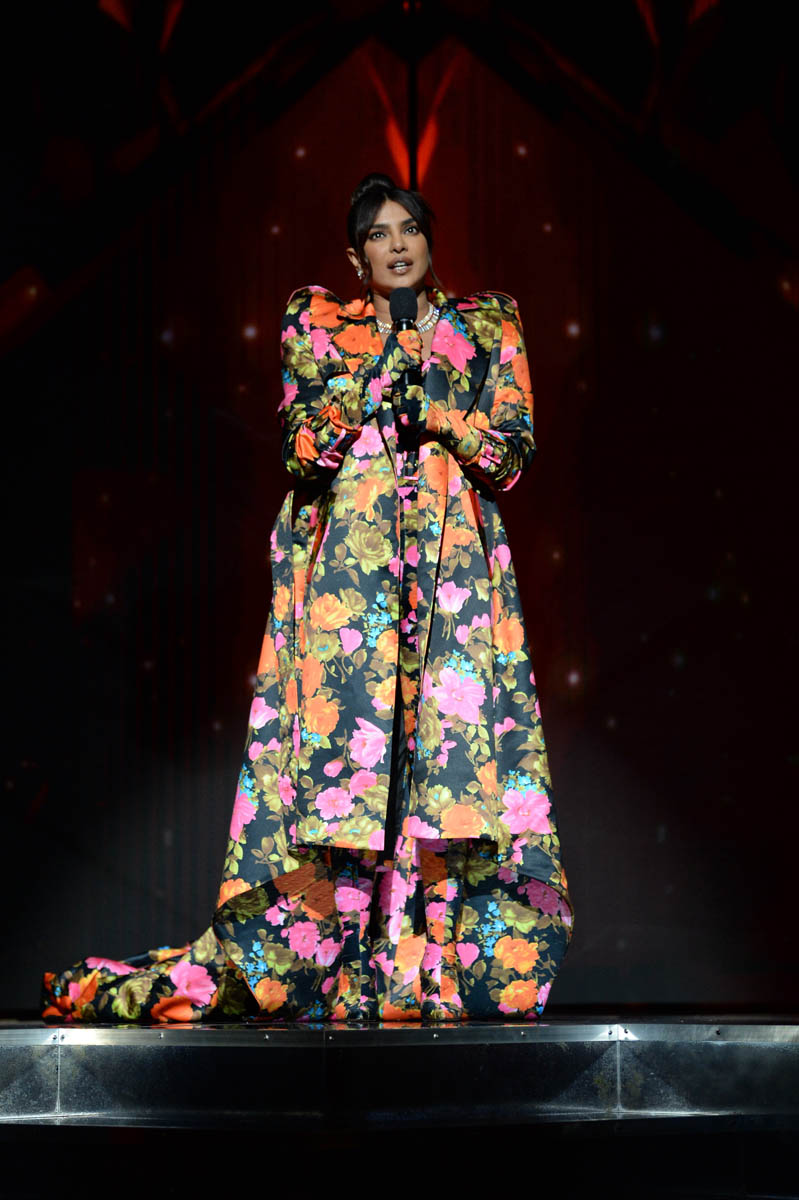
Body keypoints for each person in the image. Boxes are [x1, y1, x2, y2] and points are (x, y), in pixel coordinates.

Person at [42, 172, 573, 1023]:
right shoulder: (317, 321)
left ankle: (430, 965)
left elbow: (510, 457)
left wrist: (443, 417)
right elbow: (301, 451)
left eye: (409, 229)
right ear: (355, 256)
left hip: (453, 577)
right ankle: (337, 964)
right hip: (350, 584)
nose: (396, 245)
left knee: (447, 768)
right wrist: (375, 378)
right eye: (377, 234)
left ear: (429, 239)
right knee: (347, 773)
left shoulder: (487, 323)